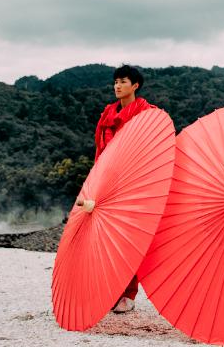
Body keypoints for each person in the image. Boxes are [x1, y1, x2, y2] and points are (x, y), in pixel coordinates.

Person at [89, 64, 156, 313]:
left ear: (135, 85)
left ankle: (128, 294)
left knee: (129, 240)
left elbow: (151, 149)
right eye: (115, 81)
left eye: (123, 81)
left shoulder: (146, 113)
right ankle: (108, 291)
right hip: (108, 183)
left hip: (134, 184)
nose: (117, 86)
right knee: (107, 239)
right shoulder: (107, 114)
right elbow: (99, 150)